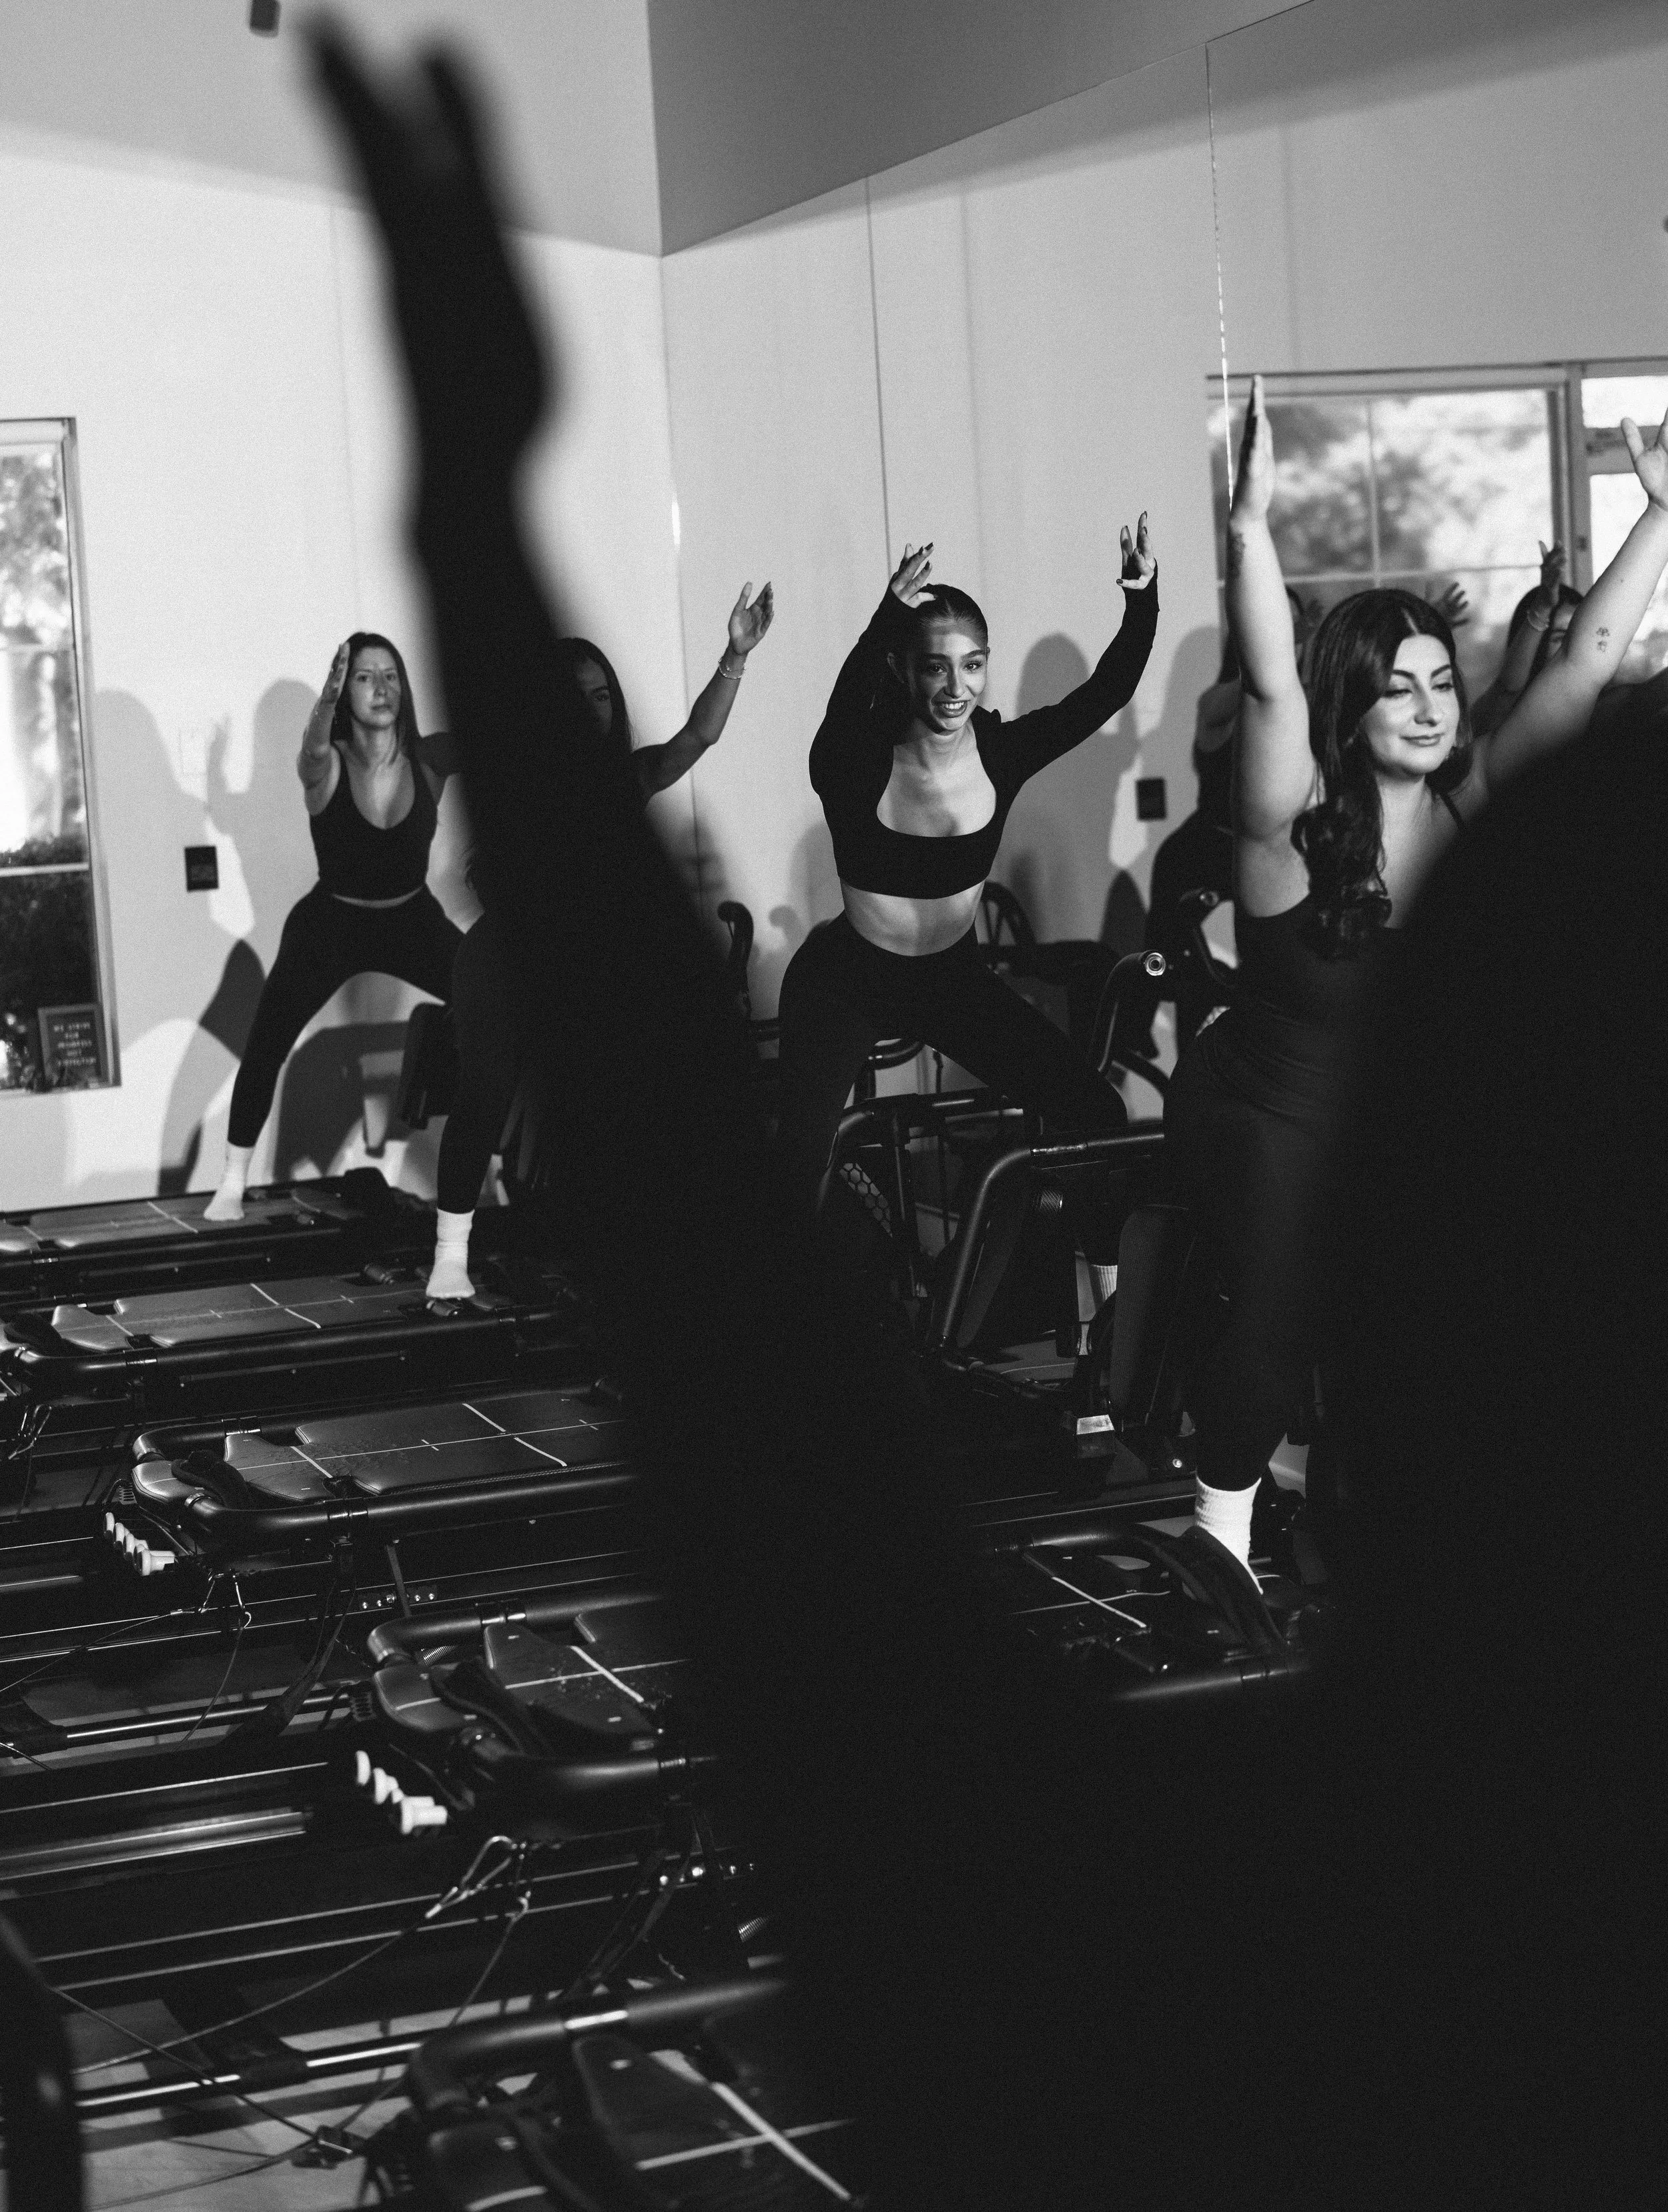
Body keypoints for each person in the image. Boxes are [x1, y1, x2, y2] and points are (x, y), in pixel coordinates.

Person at [1166, 372, 1668, 1565]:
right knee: (1288, 1305)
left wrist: (1659, 517)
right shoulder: (1288, 828)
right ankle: (1217, 1518)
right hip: (1258, 1108)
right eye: (1400, 687)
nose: (1433, 707)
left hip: (1377, 1116)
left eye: (1444, 683)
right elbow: (1277, 676)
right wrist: (1247, 531)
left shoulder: (1474, 802)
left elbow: (1589, 660)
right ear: (1355, 706)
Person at [777, 532, 1158, 1219]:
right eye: (936, 668)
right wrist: (884, 616)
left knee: (1097, 1110)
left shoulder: (1003, 751)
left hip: (948, 978)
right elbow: (838, 718)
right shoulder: (854, 761)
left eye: (973, 665)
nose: (957, 688)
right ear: (902, 669)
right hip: (848, 978)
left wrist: (1141, 598)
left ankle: (1101, 1294)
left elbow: (1104, 695)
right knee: (797, 1161)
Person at [426, 596, 773, 1299]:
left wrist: (735, 655)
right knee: (485, 1092)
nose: (591, 709)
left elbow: (696, 739)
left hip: (581, 960)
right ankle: (449, 1257)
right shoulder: (514, 776)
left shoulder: (628, 778)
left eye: (600, 696)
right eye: (572, 697)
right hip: (502, 955)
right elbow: (434, 751)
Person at [204, 632, 458, 1220]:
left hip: (411, 916)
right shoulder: (329, 763)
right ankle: (232, 1182)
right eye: (366, 677)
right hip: (334, 920)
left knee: (493, 1000)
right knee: (267, 1039)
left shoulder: (431, 758)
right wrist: (323, 703)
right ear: (345, 692)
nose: (381, 688)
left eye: (391, 675)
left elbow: (502, 743)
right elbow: (308, 754)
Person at [1469, 539, 1580, 736]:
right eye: (1560, 637)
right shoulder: (1505, 714)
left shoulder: (1601, 704)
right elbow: (1508, 688)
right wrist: (1543, 607)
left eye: (1581, 633)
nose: (1575, 644)